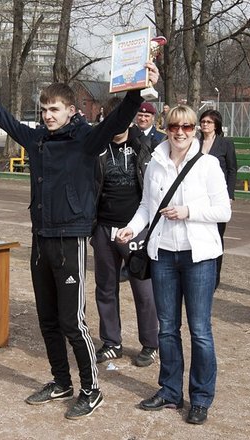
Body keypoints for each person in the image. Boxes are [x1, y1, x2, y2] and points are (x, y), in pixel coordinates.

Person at [0, 63, 160, 420]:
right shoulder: (37, 139)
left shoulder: (86, 139)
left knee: (72, 322)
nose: (48, 115)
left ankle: (91, 389)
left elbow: (118, 119)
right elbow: (6, 121)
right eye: (44, 109)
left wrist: (137, 90)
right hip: (40, 237)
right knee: (47, 319)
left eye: (54, 109)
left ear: (72, 110)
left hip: (69, 239)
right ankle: (61, 381)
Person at [116, 105, 231, 425]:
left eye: (187, 127)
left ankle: (201, 398)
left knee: (200, 330)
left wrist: (188, 212)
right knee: (167, 328)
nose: (180, 132)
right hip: (163, 254)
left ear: (196, 130)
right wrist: (132, 228)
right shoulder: (155, 162)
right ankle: (169, 390)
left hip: (199, 256)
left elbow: (224, 210)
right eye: (174, 127)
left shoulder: (208, 164)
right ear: (166, 128)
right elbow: (146, 206)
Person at [91, 97, 159, 368]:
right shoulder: (97, 146)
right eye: (111, 119)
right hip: (103, 228)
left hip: (135, 228)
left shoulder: (144, 145)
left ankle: (150, 344)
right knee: (105, 287)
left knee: (143, 290)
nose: (116, 124)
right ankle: (112, 342)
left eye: (121, 118)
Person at [198, 109, 237, 289]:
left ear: (216, 125)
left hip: (218, 196)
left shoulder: (225, 144)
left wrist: (229, 195)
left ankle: (214, 278)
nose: (205, 124)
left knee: (217, 236)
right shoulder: (195, 143)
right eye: (203, 121)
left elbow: (232, 169)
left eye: (209, 122)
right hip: (199, 196)